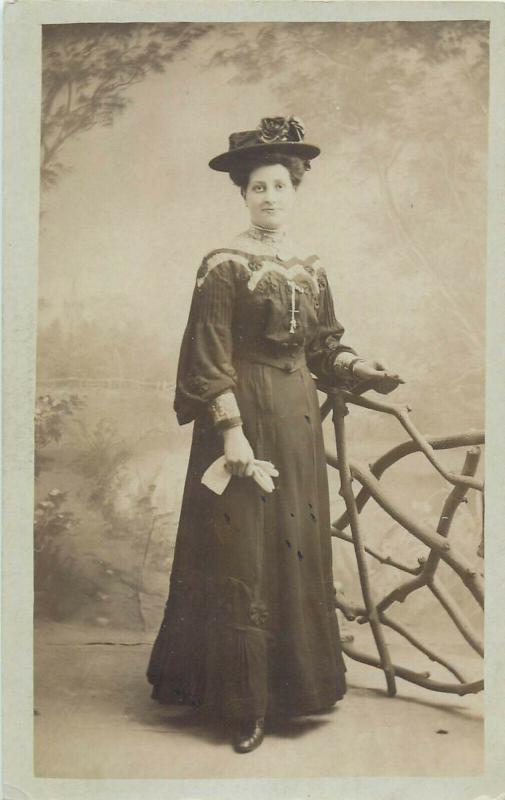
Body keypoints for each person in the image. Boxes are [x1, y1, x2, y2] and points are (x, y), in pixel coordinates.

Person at [147, 116, 402, 753]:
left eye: (280, 186)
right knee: (244, 552)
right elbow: (207, 358)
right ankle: (243, 704)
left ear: (296, 189)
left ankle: (296, 693)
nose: (270, 198)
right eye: (258, 187)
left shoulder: (311, 266)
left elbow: (323, 346)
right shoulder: (223, 265)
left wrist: (356, 369)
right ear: (242, 193)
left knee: (293, 540)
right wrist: (231, 434)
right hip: (240, 420)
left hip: (296, 419)